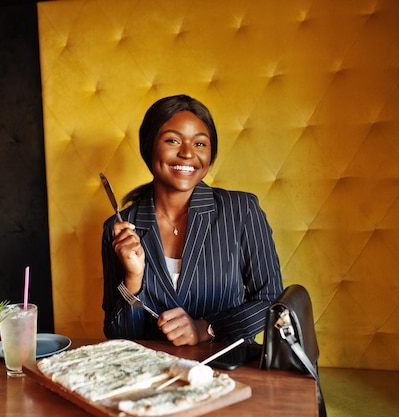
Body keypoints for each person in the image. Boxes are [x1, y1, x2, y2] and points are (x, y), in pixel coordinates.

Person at [101, 94, 283, 346]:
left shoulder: (241, 210)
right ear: (149, 146)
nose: (187, 153)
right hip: (154, 375)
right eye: (173, 140)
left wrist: (206, 328)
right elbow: (119, 335)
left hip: (229, 370)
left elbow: (272, 301)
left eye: (200, 144)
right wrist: (133, 277)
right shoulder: (119, 227)